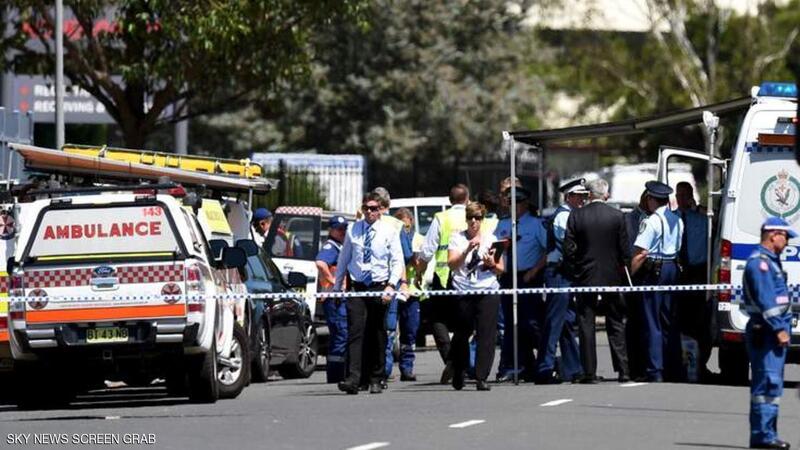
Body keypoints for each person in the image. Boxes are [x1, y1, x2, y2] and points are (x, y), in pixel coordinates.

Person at [334, 192, 405, 395]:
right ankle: (354, 378)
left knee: (377, 332)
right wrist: (337, 286)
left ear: (381, 209)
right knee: (355, 332)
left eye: (374, 208)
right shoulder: (353, 229)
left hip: (379, 286)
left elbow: (397, 260)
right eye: (366, 208)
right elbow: (344, 258)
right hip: (357, 287)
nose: (369, 212)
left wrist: (391, 285)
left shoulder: (389, 231)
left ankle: (376, 377)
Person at [564, 178, 630, 384]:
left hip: (586, 276)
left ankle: (589, 372)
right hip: (612, 277)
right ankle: (623, 370)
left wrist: (578, 267)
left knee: (586, 324)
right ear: (605, 195)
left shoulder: (577, 215)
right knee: (616, 322)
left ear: (589, 195)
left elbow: (569, 249)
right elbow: (625, 250)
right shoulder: (617, 216)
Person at [742, 217, 794, 450]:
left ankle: (766, 434)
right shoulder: (760, 264)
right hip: (767, 333)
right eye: (786, 236)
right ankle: (764, 436)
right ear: (774, 235)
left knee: (770, 387)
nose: (787, 242)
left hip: (769, 333)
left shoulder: (771, 262)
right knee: (767, 385)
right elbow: (767, 302)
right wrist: (780, 329)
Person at [630, 180, 684, 383]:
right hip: (672, 267)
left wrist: (630, 275)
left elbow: (641, 253)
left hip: (655, 270)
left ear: (652, 199)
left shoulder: (651, 221)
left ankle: (655, 369)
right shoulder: (677, 219)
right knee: (670, 320)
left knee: (652, 321)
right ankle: (674, 367)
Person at [447, 202, 504, 391]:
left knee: (486, 334)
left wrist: (492, 263)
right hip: (464, 290)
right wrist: (466, 251)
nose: (474, 221)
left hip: (487, 289)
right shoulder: (457, 238)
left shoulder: (491, 239)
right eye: (470, 217)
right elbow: (452, 264)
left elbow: (500, 269)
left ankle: (481, 376)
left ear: (482, 219)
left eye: (478, 218)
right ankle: (459, 368)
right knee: (462, 333)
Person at [536, 178, 587, 384]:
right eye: (579, 196)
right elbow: (569, 246)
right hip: (558, 273)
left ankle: (574, 368)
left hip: (566, 273)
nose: (583, 200)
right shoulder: (563, 217)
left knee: (566, 322)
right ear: (569, 197)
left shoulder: (571, 215)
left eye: (584, 196)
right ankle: (544, 368)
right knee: (554, 321)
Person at [494, 186, 547, 382]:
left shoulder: (535, 224)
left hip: (528, 277)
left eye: (516, 202)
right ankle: (516, 365)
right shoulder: (503, 224)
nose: (513, 206)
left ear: (525, 203)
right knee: (510, 323)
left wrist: (534, 271)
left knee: (531, 322)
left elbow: (547, 250)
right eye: (510, 203)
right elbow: (494, 249)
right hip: (508, 276)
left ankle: (544, 360)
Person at [418, 183, 470, 383]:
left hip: (443, 275)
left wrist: (420, 271)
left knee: (437, 319)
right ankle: (459, 364)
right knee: (462, 322)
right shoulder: (473, 216)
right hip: (467, 276)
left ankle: (451, 359)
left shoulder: (442, 218)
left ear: (450, 200)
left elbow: (427, 249)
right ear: (467, 199)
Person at [371, 187, 412, 388]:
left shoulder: (364, 221)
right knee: (387, 327)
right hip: (390, 283)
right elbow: (405, 256)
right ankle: (383, 371)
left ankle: (376, 371)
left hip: (369, 282)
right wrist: (402, 281)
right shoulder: (396, 224)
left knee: (373, 327)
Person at [675, 181, 713, 381]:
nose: (681, 199)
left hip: (698, 272)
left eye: (684, 195)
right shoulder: (671, 218)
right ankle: (679, 364)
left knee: (699, 322)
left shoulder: (702, 218)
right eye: (678, 195)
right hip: (677, 272)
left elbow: (718, 223)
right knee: (679, 321)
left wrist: (700, 209)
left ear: (691, 196)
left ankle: (700, 365)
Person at [387, 207, 421, 382]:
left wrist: (416, 259)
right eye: (402, 227)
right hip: (395, 289)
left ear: (412, 223)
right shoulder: (392, 236)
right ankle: (385, 370)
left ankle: (407, 368)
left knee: (409, 332)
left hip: (412, 292)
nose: (405, 230)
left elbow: (421, 263)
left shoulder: (418, 239)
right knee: (390, 330)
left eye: (407, 227)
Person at [315, 215, 350, 383]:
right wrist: (334, 281)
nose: (342, 231)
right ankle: (336, 374)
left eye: (344, 228)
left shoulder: (340, 246)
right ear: (331, 230)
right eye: (338, 229)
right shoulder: (331, 246)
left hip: (338, 297)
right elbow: (320, 263)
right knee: (341, 334)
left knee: (341, 335)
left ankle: (339, 373)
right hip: (333, 298)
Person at [623, 190, 650, 382]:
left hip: (650, 274)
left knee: (647, 322)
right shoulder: (629, 219)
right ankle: (634, 366)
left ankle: (645, 365)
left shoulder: (655, 218)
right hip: (633, 274)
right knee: (634, 322)